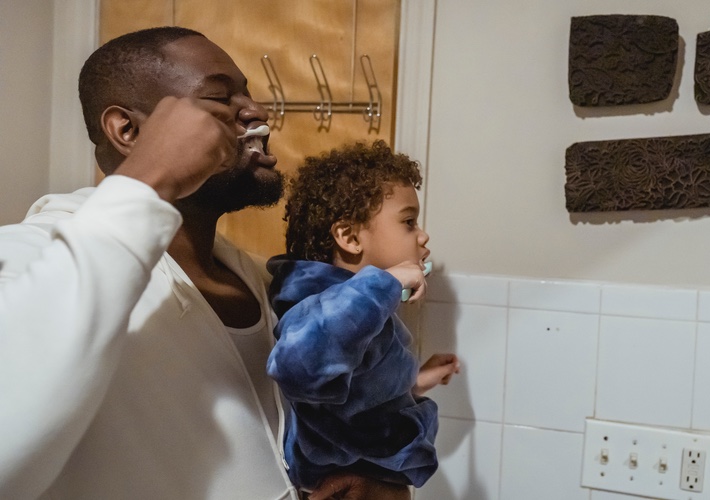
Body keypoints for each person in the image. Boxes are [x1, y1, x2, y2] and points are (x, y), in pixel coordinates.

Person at [0, 27, 410, 500]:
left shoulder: (261, 279)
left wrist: (368, 480)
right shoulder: (31, 252)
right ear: (128, 130)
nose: (257, 112)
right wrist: (149, 179)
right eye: (219, 96)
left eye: (249, 94)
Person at [266, 140, 460, 492]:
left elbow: (357, 397)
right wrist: (384, 284)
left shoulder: (361, 306)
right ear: (349, 237)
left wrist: (414, 381)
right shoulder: (323, 301)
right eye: (409, 221)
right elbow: (298, 366)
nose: (423, 234)